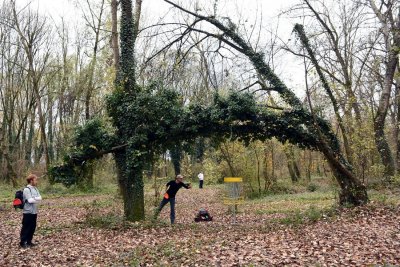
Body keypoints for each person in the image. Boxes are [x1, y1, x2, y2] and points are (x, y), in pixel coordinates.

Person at [20, 174, 42, 248]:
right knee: (26, 227)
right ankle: (22, 243)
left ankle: (29, 242)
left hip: (34, 211)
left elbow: (40, 198)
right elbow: (30, 200)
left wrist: (34, 198)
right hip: (27, 212)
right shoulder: (27, 189)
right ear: (31, 180)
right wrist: (36, 198)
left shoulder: (35, 188)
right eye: (35, 180)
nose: (36, 181)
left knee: (33, 227)